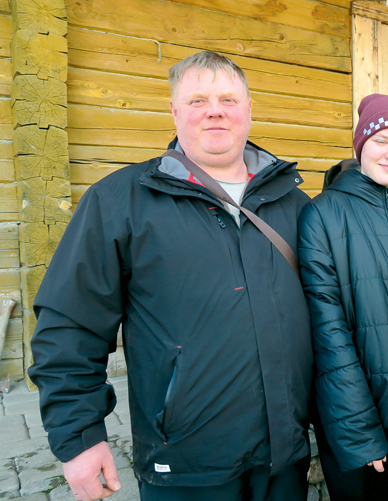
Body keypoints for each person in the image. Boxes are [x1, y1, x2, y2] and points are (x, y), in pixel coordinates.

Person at [29, 51, 313, 501]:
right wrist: (80, 438)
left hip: (286, 455)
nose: (215, 110)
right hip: (185, 461)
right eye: (197, 99)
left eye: (228, 98)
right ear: (174, 111)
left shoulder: (292, 202)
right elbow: (70, 325)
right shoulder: (120, 201)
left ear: (249, 109)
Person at [298, 94, 388, 501]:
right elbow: (326, 328)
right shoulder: (322, 215)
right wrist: (359, 430)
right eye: (381, 140)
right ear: (361, 144)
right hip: (351, 420)